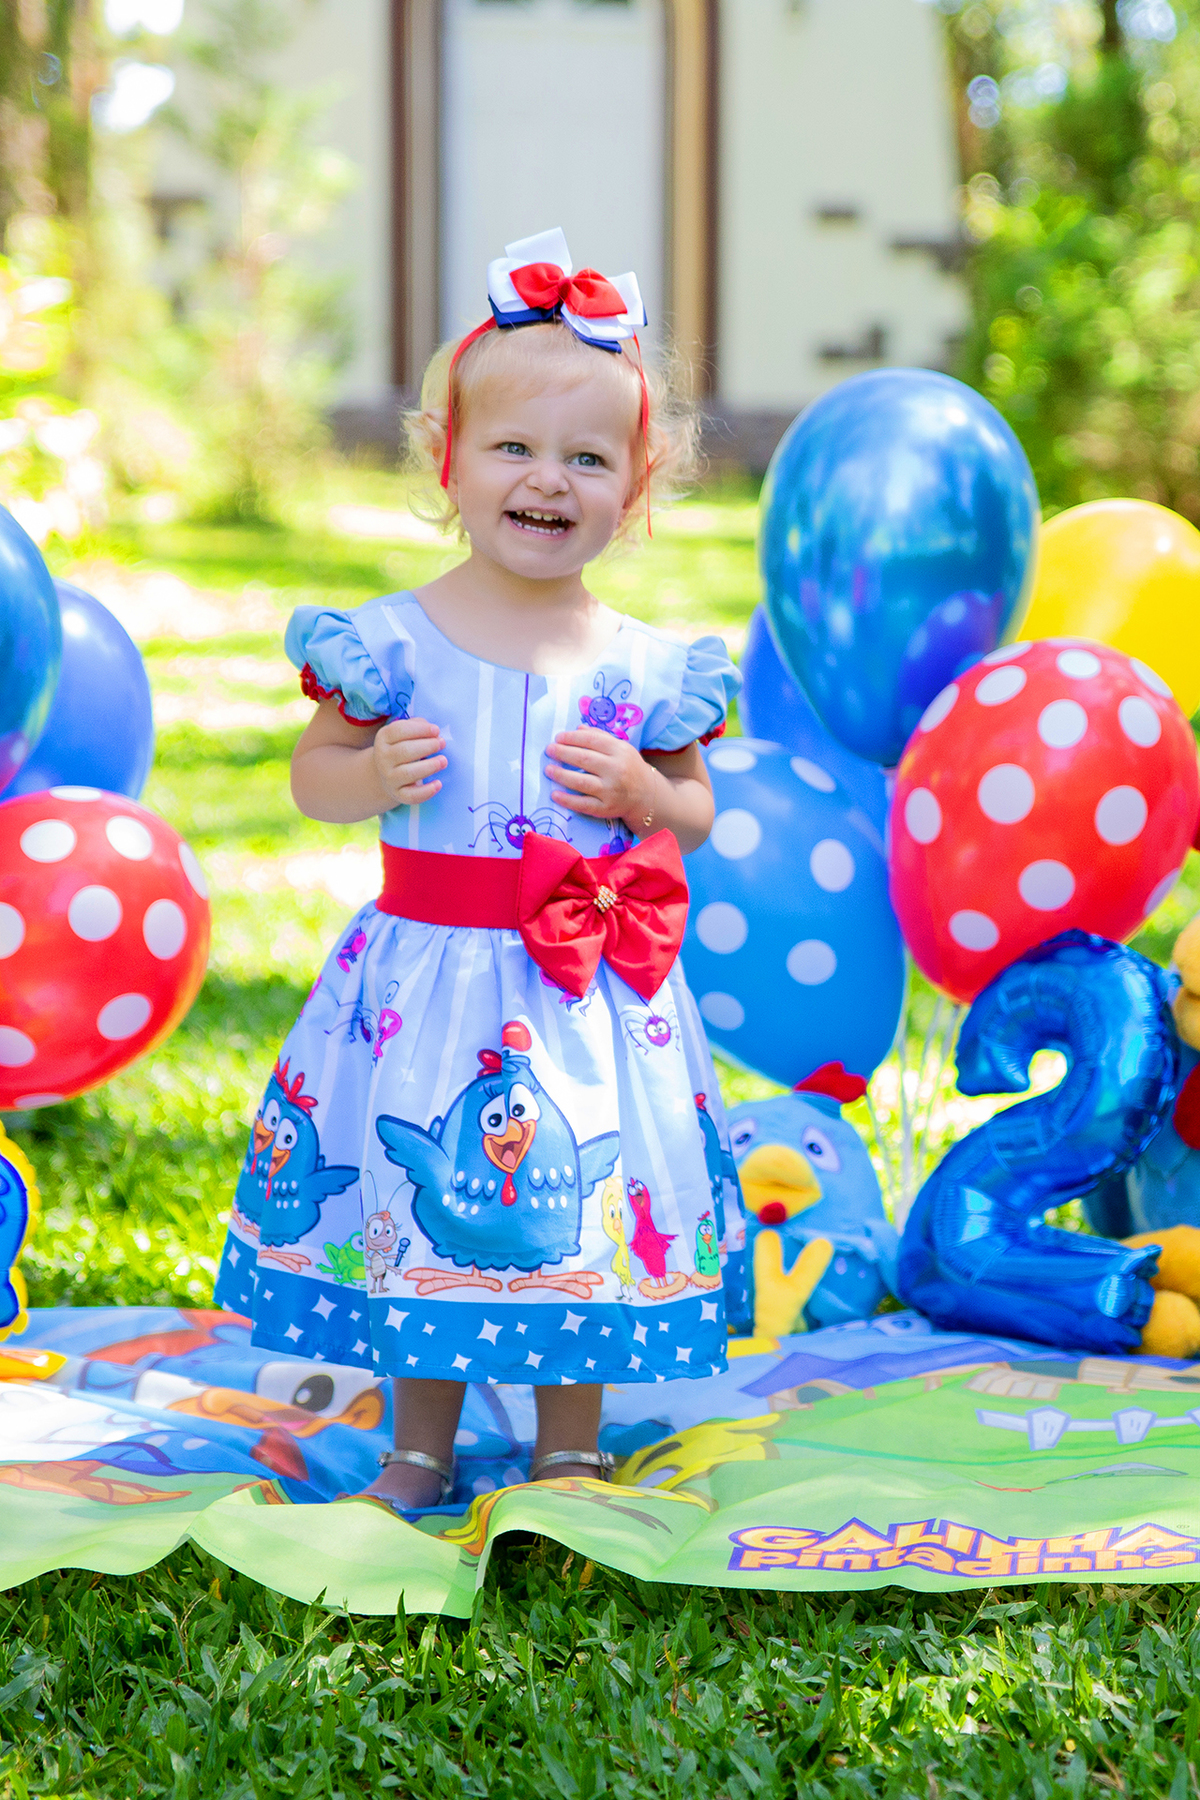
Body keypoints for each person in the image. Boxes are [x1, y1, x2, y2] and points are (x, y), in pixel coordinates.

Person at [212, 228, 743, 1513]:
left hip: (585, 992)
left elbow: (698, 812)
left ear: (639, 482)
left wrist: (646, 795)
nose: (547, 482)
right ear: (449, 461)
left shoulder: (642, 661)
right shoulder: (390, 643)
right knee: (420, 1204)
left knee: (581, 1207)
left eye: (586, 459)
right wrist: (371, 773)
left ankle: (568, 1439)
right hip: (427, 983)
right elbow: (311, 777)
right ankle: (419, 1443)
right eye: (513, 449)